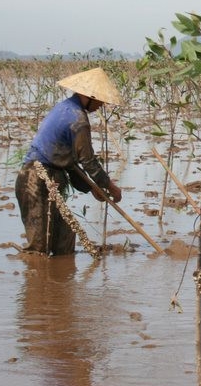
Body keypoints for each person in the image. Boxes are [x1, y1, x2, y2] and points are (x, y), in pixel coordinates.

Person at [15, 67, 123, 255]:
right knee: (39, 246)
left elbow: (70, 163)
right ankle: (35, 281)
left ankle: (60, 283)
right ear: (88, 96)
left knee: (65, 239)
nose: (101, 105)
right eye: (99, 100)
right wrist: (110, 186)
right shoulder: (78, 119)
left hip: (49, 177)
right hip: (35, 178)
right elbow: (88, 161)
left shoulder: (64, 107)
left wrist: (92, 188)